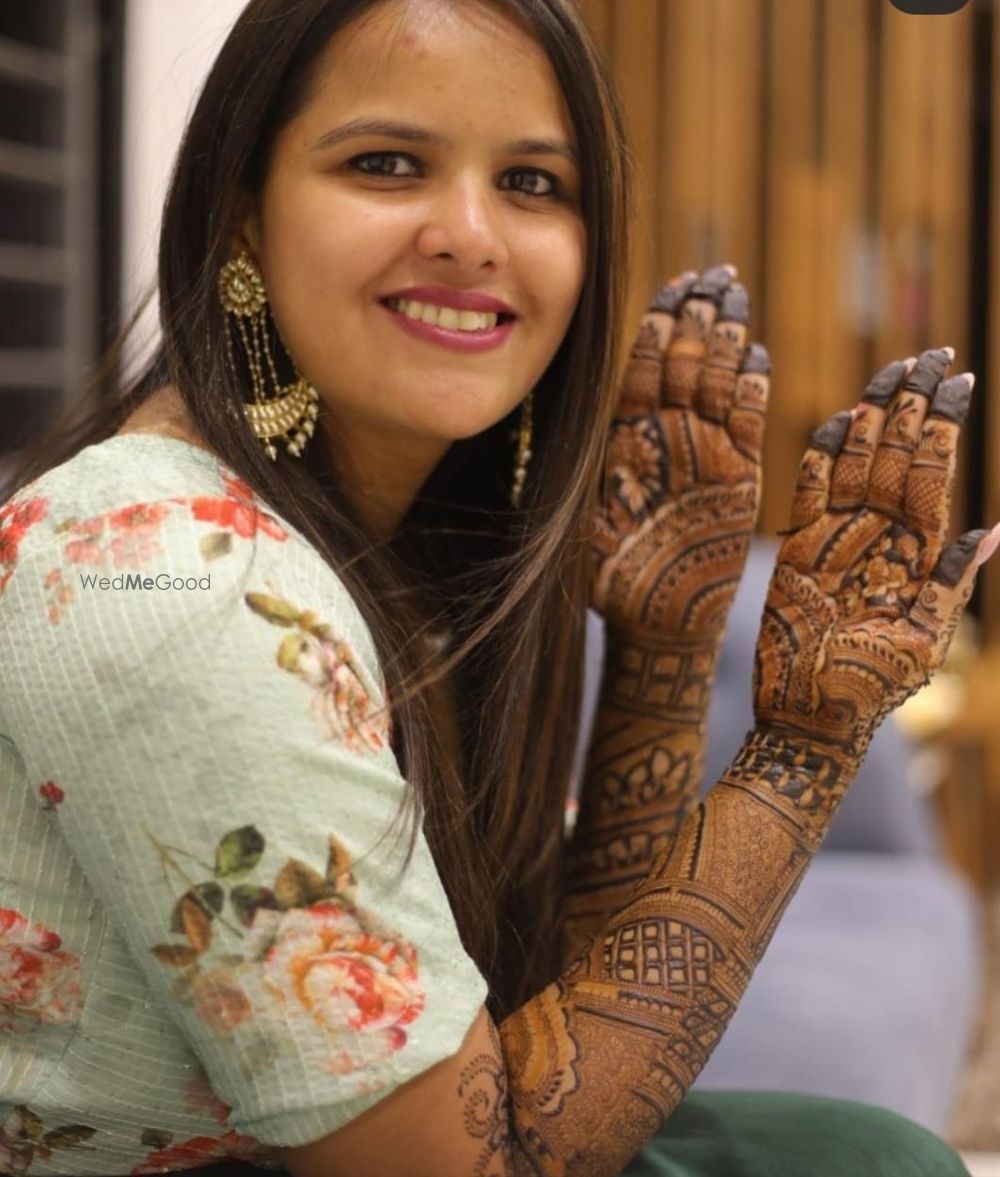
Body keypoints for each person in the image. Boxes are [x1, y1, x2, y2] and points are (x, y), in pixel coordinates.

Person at [0, 1, 994, 1174]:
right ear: (242, 221)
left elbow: (537, 1024)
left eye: (532, 182)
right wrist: (801, 748)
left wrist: (662, 653)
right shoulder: (172, 575)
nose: (472, 234)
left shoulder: (386, 538)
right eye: (386, 164)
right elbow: (479, 1163)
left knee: (857, 1148)